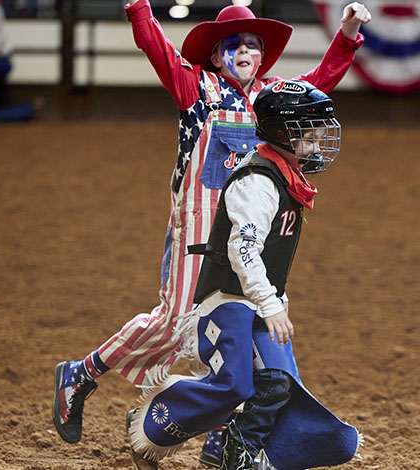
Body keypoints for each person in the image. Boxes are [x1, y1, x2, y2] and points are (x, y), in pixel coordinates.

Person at [52, 1, 370, 467]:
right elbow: (159, 51)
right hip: (198, 223)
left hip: (247, 229)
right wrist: (140, 8)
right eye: (234, 44)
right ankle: (81, 373)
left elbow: (318, 86)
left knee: (232, 329)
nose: (245, 50)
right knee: (178, 320)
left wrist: (346, 36)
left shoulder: (273, 96)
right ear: (217, 57)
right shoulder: (197, 88)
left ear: (263, 57)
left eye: (253, 44)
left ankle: (219, 434)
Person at [125, 79, 359, 470]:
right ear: (283, 133)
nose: (318, 148)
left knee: (280, 384)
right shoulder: (258, 181)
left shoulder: (284, 177)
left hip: (259, 301)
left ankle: (241, 450)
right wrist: (271, 304)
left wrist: (273, 301)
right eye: (310, 139)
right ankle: (158, 425)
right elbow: (243, 248)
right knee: (240, 385)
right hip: (229, 300)